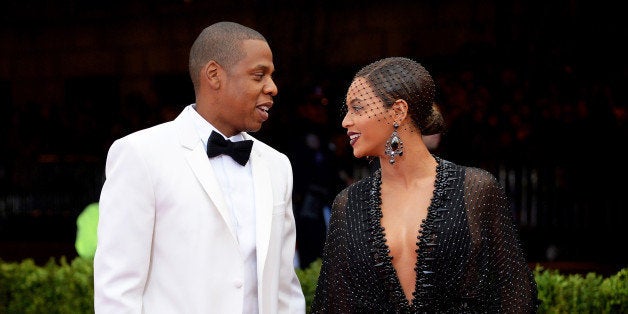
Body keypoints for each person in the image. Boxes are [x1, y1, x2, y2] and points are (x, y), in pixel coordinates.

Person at [94, 21, 305, 313]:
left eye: (271, 76)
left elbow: (284, 287)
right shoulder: (140, 154)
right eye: (259, 75)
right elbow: (117, 289)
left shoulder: (277, 165)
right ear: (214, 75)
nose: (272, 87)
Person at [311, 57, 539, 313]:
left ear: (398, 111)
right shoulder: (348, 204)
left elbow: (515, 296)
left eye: (358, 108)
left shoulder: (475, 189)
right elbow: (333, 304)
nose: (346, 121)